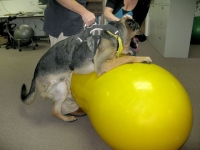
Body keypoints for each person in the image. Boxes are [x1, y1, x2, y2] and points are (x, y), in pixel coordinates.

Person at [43, 0, 96, 116]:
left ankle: (67, 99)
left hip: (72, 23)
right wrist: (84, 12)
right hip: (62, 23)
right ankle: (66, 107)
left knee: (71, 66)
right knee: (63, 68)